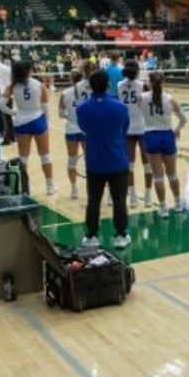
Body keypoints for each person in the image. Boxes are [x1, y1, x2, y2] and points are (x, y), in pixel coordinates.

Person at [75, 69, 131, 249]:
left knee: (93, 200)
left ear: (90, 86)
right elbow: (124, 129)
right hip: (117, 160)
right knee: (119, 200)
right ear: (108, 85)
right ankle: (121, 235)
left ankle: (91, 236)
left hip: (94, 162)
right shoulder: (120, 107)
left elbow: (84, 128)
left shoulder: (82, 109)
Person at [0, 62, 56, 195]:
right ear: (29, 70)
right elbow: (45, 107)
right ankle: (49, 186)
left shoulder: (12, 86)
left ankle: (24, 188)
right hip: (38, 120)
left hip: (21, 121)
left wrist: (14, 112)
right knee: (45, 155)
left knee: (23, 158)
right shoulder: (39, 85)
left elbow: (0, 104)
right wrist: (46, 123)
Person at [141, 71, 187, 219]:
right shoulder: (170, 99)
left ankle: (163, 208)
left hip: (150, 135)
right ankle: (178, 203)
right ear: (163, 82)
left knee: (158, 176)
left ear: (149, 82)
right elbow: (184, 119)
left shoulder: (141, 98)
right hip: (167, 135)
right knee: (172, 173)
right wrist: (176, 131)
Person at [118, 59, 153, 208]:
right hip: (143, 126)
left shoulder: (119, 85)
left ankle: (132, 197)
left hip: (126, 126)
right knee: (147, 163)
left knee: (129, 164)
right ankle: (148, 196)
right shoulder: (142, 85)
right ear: (138, 71)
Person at [58, 70, 87, 199]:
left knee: (72, 160)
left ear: (71, 79)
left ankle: (74, 190)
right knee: (90, 159)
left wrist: (70, 116)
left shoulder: (64, 94)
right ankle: (92, 186)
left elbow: (60, 114)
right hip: (86, 129)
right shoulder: (87, 92)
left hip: (71, 129)